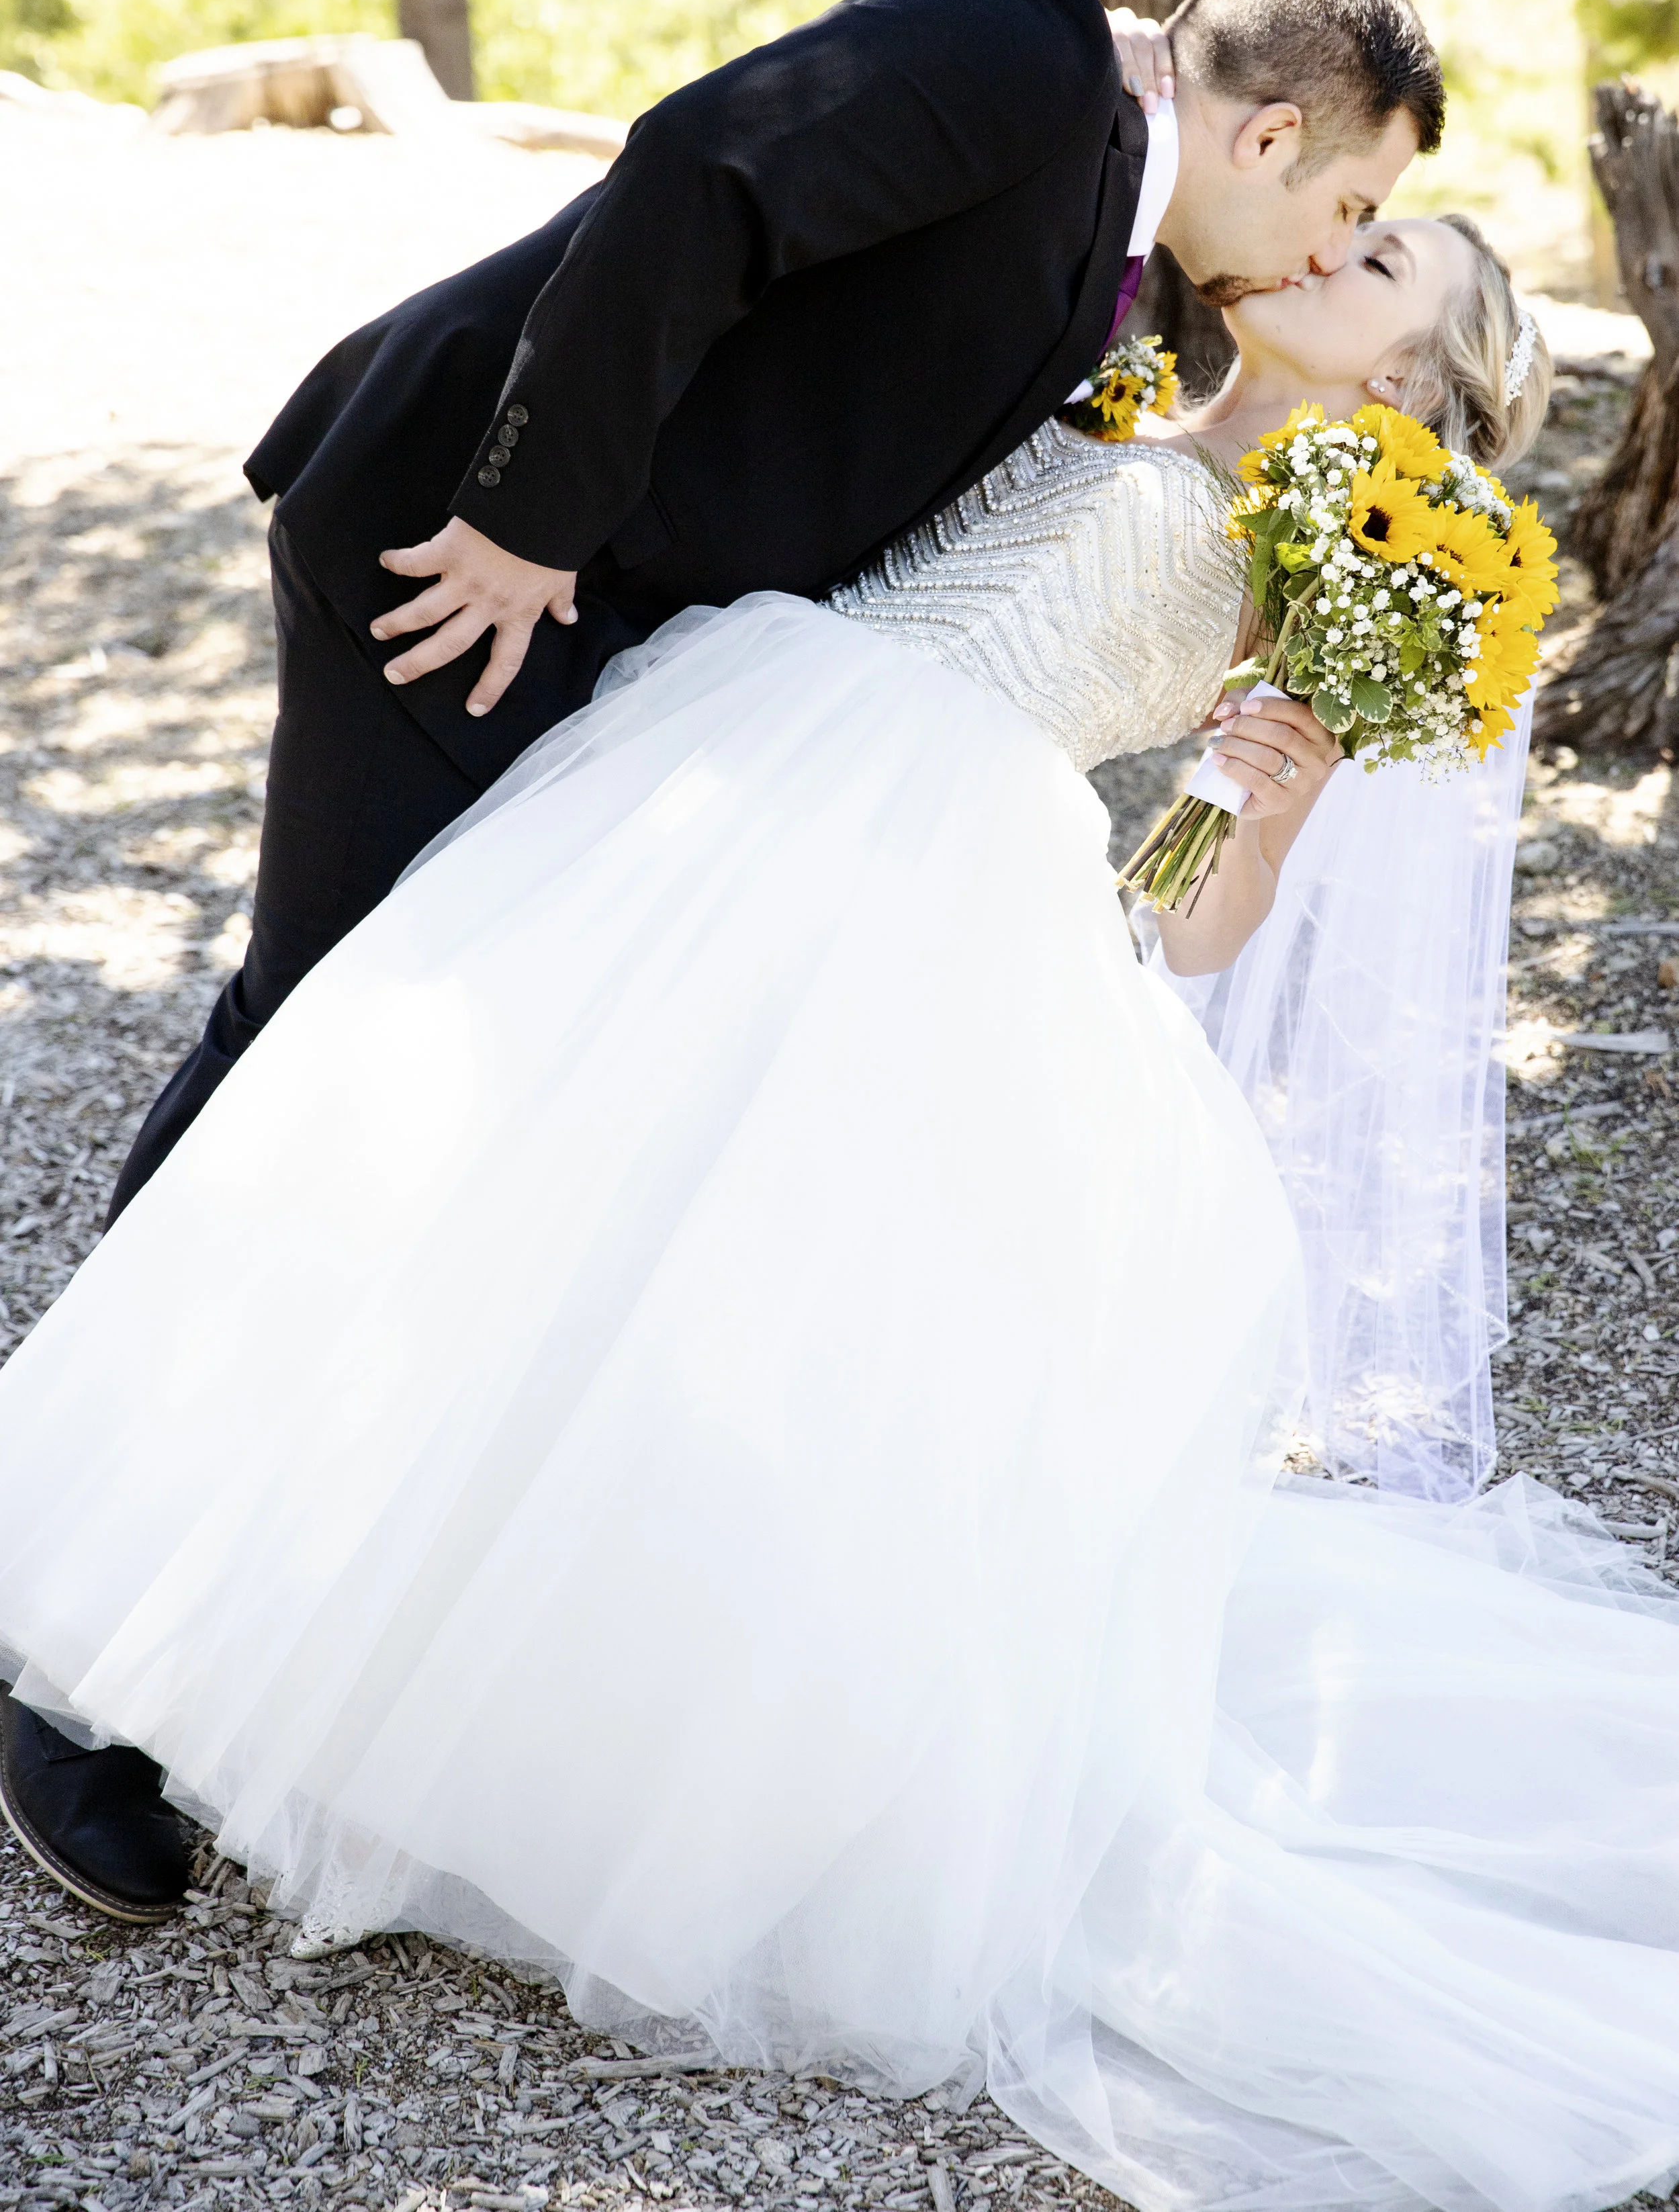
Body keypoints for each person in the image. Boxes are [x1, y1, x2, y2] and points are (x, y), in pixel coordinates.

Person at [5, 173, 1677, 2212]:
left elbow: (1211, 915)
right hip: (747, 735)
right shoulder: (1115, 366)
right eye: (1350, 221)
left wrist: (1272, 780)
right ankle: (265, 1618)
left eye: (1384, 260)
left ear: (1416, 379)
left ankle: (583, 1740)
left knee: (729, 1290)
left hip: (929, 852)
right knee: (503, 1191)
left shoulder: (1320, 568)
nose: (1336, 247)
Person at [101, 0, 1441, 1221]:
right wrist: (525, 519)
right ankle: (108, 1421)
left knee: (477, 1041)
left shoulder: (1117, 225)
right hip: (450, 547)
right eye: (1349, 209)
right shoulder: (1029, 45)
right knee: (315, 1011)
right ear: (1267, 138)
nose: (1328, 251)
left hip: (605, 636)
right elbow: (700, 167)